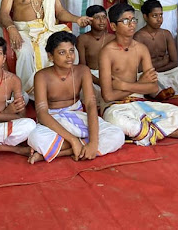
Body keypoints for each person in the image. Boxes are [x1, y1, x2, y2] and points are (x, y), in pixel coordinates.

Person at [99, 4, 178, 145]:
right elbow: (108, 96)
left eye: (133, 20)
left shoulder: (141, 49)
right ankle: (171, 132)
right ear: (114, 26)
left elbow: (153, 88)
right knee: (117, 121)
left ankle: (146, 132)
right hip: (115, 106)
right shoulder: (107, 52)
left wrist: (124, 85)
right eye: (126, 21)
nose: (131, 24)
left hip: (139, 101)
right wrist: (140, 84)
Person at [0, 0, 91, 97]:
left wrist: (77, 19)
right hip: (24, 31)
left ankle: (65, 88)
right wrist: (12, 29)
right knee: (25, 51)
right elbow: (2, 14)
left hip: (48, 28)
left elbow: (59, 11)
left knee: (69, 47)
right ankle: (29, 94)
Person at [27, 31, 124, 163]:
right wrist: (73, 140)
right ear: (50, 56)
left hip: (77, 116)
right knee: (35, 138)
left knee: (117, 135)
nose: (69, 56)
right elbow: (42, 113)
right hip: (53, 119)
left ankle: (59, 152)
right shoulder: (41, 76)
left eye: (71, 51)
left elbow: (90, 104)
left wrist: (94, 142)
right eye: (62, 52)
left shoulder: (83, 71)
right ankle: (79, 145)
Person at [134, 0, 178, 99]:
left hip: (167, 72)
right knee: (147, 79)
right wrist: (163, 62)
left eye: (161, 15)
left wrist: (158, 69)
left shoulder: (166, 34)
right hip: (151, 75)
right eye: (155, 16)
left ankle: (167, 91)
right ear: (145, 17)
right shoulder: (139, 37)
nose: (159, 19)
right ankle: (165, 92)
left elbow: (175, 62)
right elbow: (139, 68)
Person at [76, 5, 115, 100]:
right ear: (89, 21)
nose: (102, 21)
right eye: (97, 18)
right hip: (90, 76)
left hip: (110, 74)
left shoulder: (113, 38)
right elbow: (82, 66)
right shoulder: (82, 39)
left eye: (104, 17)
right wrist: (97, 81)